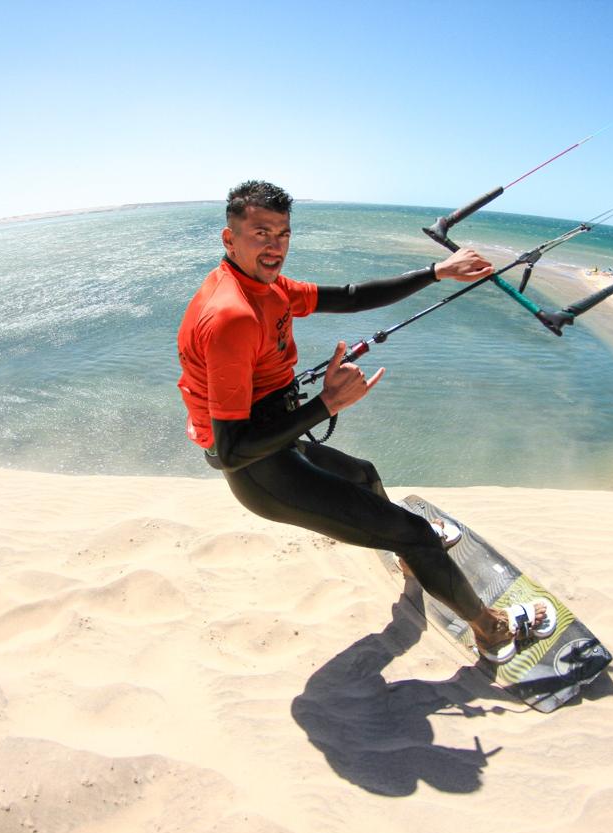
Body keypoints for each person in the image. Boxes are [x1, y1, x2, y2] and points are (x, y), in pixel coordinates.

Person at [176, 180, 552, 663]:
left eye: (283, 234)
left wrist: (437, 271)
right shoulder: (232, 316)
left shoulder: (267, 286)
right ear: (230, 240)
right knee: (415, 532)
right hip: (258, 469)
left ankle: (412, 558)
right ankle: (492, 630)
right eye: (260, 233)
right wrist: (325, 405)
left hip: (275, 439)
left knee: (364, 474)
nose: (275, 247)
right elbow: (229, 453)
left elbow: (352, 296)